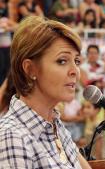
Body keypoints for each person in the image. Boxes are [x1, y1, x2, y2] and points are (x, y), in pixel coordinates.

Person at [0, 16, 91, 168]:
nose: (75, 71)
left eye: (76, 61)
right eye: (62, 61)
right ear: (30, 69)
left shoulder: (55, 125)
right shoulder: (12, 137)